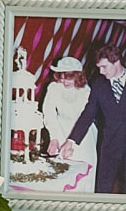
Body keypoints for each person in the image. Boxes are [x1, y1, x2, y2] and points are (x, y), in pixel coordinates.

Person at [60, 44, 126, 194]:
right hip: (109, 146)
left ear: (116, 61)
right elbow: (88, 114)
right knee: (102, 189)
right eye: (99, 68)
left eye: (104, 67)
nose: (101, 72)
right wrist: (72, 141)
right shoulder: (98, 85)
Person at [41, 56, 96, 193]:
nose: (64, 81)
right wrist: (54, 138)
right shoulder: (53, 88)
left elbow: (86, 119)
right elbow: (49, 113)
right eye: (62, 77)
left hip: (83, 135)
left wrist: (74, 143)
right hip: (60, 130)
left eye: (68, 77)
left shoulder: (86, 91)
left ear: (78, 76)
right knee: (62, 172)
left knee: (84, 173)